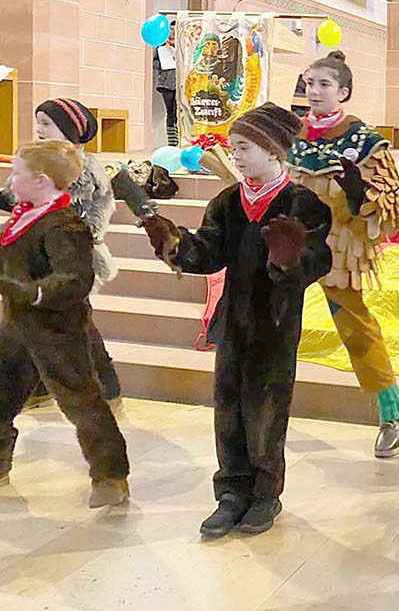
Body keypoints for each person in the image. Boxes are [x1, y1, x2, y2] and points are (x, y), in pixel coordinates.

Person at [141, 103, 331, 537]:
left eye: (244, 148)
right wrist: (175, 245)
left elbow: (319, 260)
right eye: (234, 148)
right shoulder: (227, 202)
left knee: (266, 411)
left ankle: (265, 494)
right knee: (227, 409)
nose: (236, 157)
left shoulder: (302, 204)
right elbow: (208, 253)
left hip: (275, 325)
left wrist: (289, 259)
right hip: (233, 322)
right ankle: (231, 492)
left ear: (274, 150)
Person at [0, 140, 130, 507]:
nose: (10, 181)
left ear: (41, 180)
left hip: (59, 332)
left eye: (16, 174)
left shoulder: (65, 225)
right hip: (17, 327)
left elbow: (75, 280)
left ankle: (111, 476)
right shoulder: (21, 218)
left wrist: (31, 292)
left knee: (82, 402)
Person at [286, 51, 399, 458]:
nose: (315, 91)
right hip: (288, 243)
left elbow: (395, 207)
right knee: (271, 323)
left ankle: (393, 410)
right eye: (310, 83)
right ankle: (263, 410)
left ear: (343, 92)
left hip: (338, 245)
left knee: (355, 327)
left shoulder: (364, 141)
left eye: (324, 85)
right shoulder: (290, 135)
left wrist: (359, 193)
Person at [0, 100, 123, 408]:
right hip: (39, 256)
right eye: (38, 122)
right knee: (40, 323)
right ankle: (42, 389)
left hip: (66, 259)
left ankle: (107, 388)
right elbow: (11, 202)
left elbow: (62, 220)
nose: (39, 129)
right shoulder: (44, 164)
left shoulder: (79, 170)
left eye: (46, 124)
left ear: (69, 130)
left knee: (76, 326)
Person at [154, 21, 178, 146]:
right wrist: (163, 63)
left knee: (178, 111)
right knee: (170, 111)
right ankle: (172, 141)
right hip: (166, 83)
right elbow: (154, 62)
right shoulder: (162, 46)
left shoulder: (183, 46)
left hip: (179, 83)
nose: (172, 32)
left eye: (175, 30)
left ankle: (179, 138)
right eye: (171, 30)